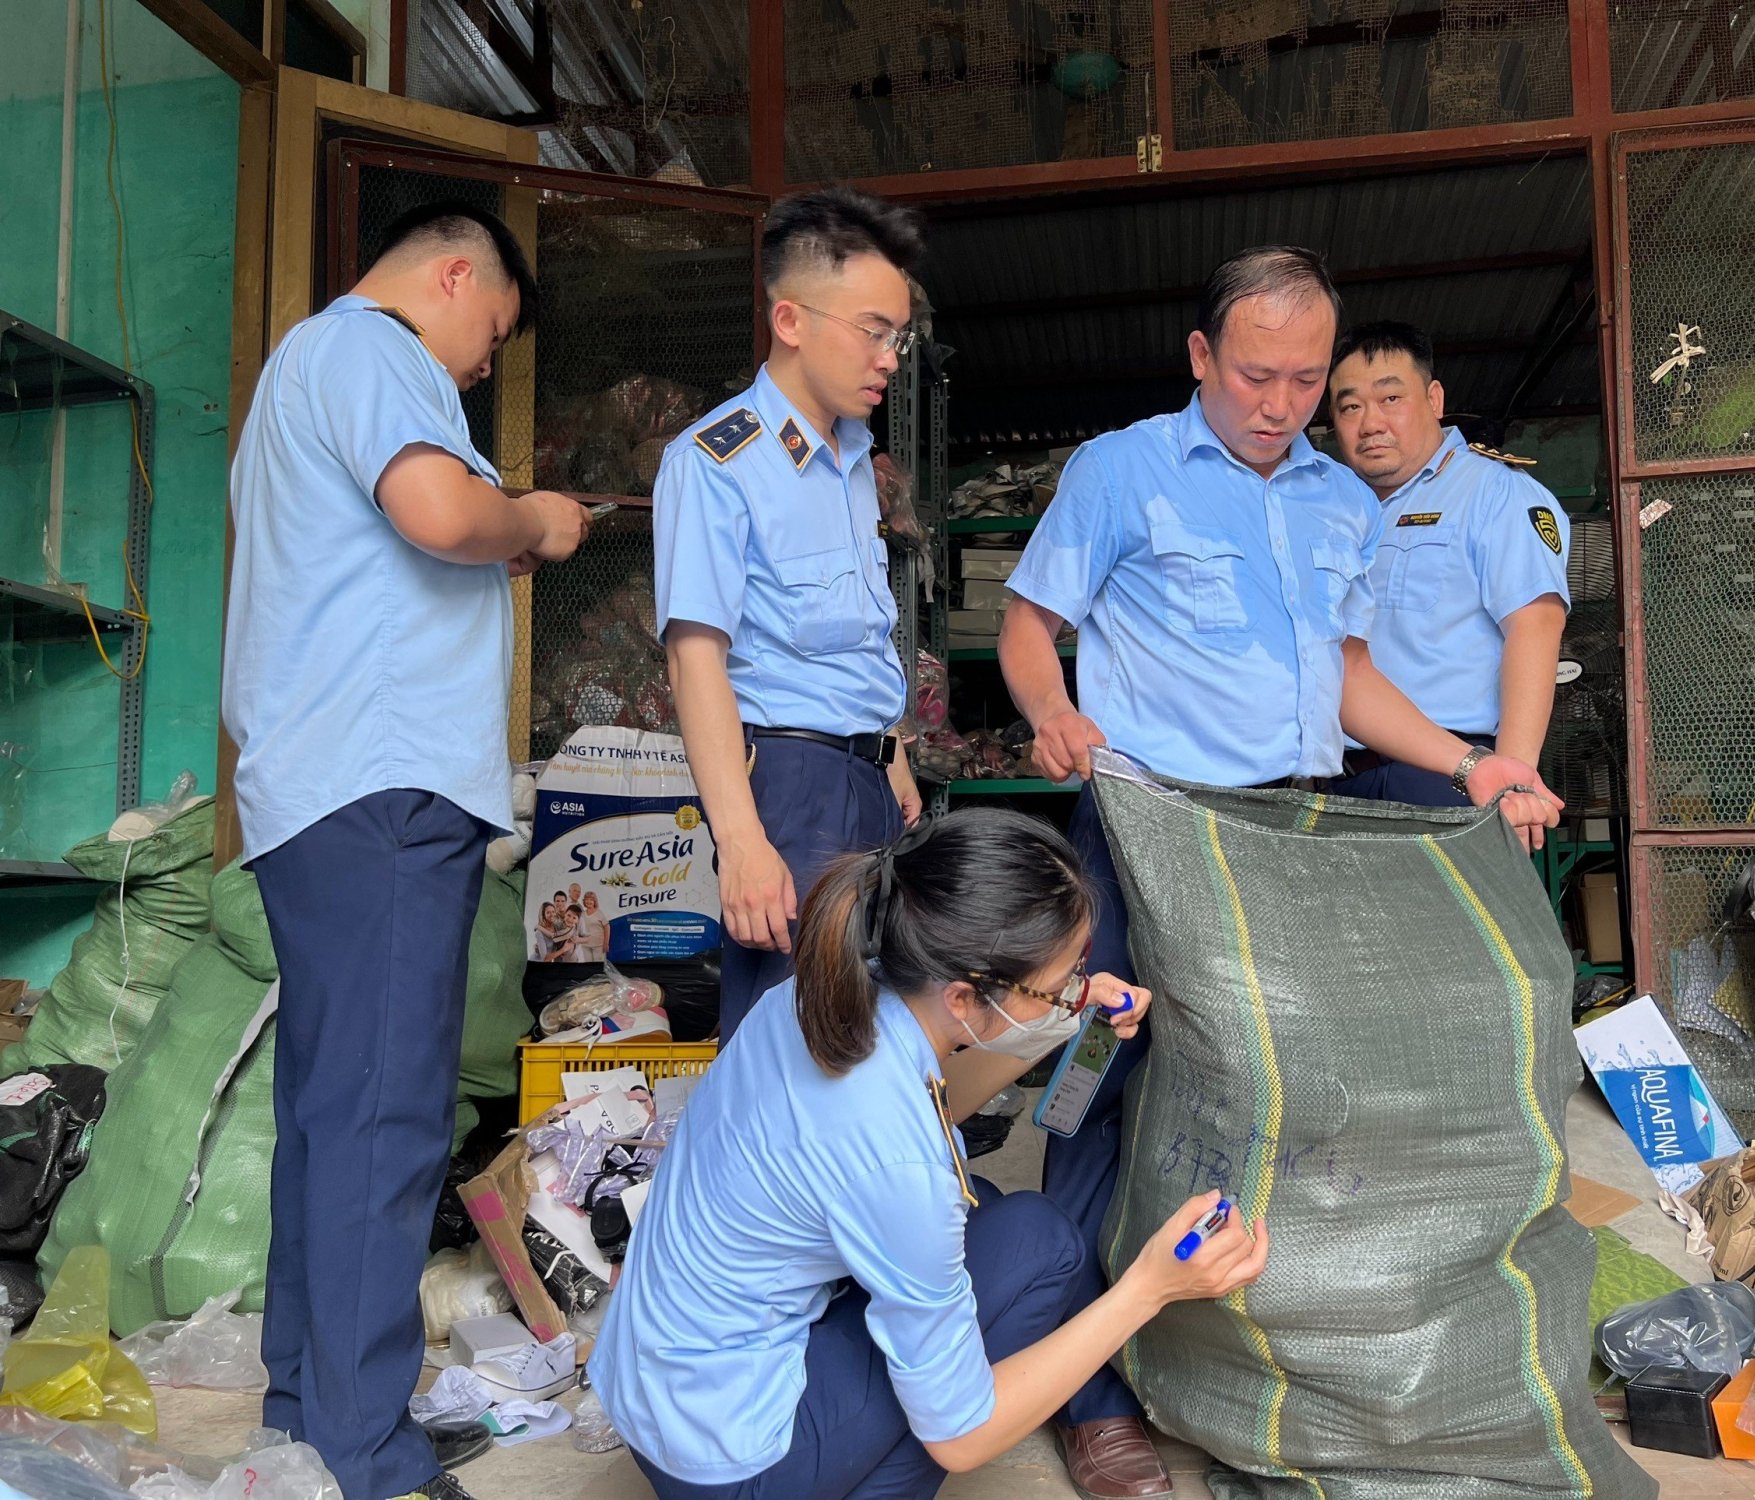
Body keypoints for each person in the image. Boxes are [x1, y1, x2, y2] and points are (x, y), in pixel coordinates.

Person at [997, 246, 1561, 1500]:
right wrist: (1051, 713)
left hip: (1286, 838)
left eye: (1306, 380)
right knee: (1101, 1074)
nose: (1282, 404)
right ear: (1201, 358)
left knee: (1268, 1091)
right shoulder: (1118, 471)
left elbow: (1348, 678)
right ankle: (1089, 1397)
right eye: (1257, 375)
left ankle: (1246, 1359)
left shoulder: (1337, 504)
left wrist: (1470, 764)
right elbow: (1027, 628)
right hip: (1147, 828)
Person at [221, 203, 589, 1500]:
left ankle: (308, 1408)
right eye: (484, 339)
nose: (477, 371)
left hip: (319, 788)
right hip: (378, 785)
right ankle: (365, 1455)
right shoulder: (375, 350)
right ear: (448, 276)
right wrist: (533, 520)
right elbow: (441, 512)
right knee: (380, 1125)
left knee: (334, 1121)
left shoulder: (297, 375)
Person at [591, 809, 1268, 1500]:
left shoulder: (817, 996)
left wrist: (1064, 1014)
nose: (1076, 987)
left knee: (1000, 1222)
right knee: (1042, 1246)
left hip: (651, 1385)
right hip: (732, 1463)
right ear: (966, 993)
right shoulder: (899, 1165)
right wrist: (1150, 1288)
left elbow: (932, 1106)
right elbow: (962, 1435)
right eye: (1064, 977)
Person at [653, 187, 925, 1043]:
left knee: (871, 1034)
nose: (890, 357)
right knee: (795, 1043)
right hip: (791, 790)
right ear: (791, 319)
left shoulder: (851, 458)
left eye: (900, 337)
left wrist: (893, 756)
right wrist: (740, 841)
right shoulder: (717, 461)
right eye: (874, 330)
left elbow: (853, 634)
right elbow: (695, 659)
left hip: (867, 782)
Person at [1324, 321, 1572, 807]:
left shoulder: (1495, 490)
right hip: (1345, 782)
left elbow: (1535, 627)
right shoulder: (1335, 512)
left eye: (1390, 399)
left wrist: (1513, 784)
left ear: (1434, 400)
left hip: (1452, 780)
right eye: (1350, 406)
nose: (1370, 422)